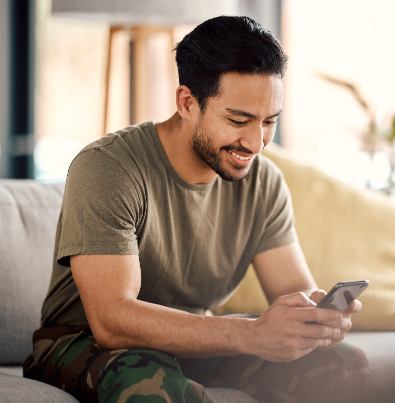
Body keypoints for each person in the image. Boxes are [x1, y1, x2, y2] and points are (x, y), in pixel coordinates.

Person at [24, 16, 368, 403]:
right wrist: (251, 334)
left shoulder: (264, 181)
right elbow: (112, 321)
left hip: (194, 339)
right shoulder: (108, 168)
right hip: (82, 340)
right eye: (239, 120)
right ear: (187, 102)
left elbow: (293, 290)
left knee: (339, 364)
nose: (256, 142)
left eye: (269, 121)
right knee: (149, 382)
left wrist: (314, 321)